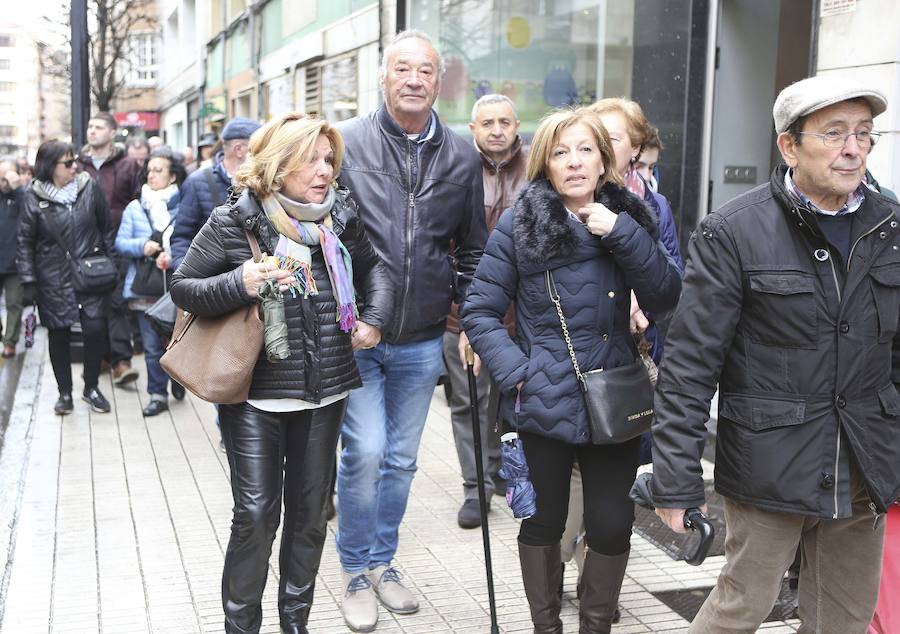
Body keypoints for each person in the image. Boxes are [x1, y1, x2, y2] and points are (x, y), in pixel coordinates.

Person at [651, 76, 900, 632]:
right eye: (834, 133)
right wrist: (676, 478)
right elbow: (690, 366)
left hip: (863, 464)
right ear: (789, 145)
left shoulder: (890, 227)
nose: (852, 147)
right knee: (743, 604)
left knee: (844, 617)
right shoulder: (732, 232)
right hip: (771, 462)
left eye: (863, 133)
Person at [461, 107, 681, 634]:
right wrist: (521, 371)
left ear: (605, 161)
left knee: (611, 522)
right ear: (545, 163)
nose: (574, 162)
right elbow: (480, 310)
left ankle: (596, 626)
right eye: (561, 152)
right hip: (544, 398)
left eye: (585, 150)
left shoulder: (630, 218)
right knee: (544, 521)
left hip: (615, 397)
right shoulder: (522, 222)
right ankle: (545, 627)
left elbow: (666, 295)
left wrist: (622, 233)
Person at [170, 112, 392, 634]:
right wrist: (240, 282)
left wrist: (374, 320)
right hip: (256, 396)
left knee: (310, 518)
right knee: (255, 516)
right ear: (276, 165)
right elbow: (182, 287)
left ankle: (295, 623)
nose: (324, 170)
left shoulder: (340, 216)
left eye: (329, 159)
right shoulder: (235, 220)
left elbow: (375, 268)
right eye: (309, 159)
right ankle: (241, 627)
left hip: (325, 391)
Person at [333, 29, 487, 632]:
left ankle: (383, 562)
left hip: (424, 336)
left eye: (426, 70)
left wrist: (470, 319)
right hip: (359, 338)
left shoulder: (463, 156)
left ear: (438, 80)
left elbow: (473, 248)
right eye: (403, 68)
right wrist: (352, 315)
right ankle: (352, 569)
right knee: (364, 453)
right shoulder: (345, 143)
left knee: (399, 461)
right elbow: (327, 240)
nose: (415, 79)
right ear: (384, 76)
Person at [447, 93, 528, 529]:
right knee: (469, 401)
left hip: (525, 312)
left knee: (515, 398)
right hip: (463, 311)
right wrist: (460, 311)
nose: (496, 130)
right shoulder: (456, 169)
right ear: (473, 129)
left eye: (504, 122)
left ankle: (505, 473)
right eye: (487, 123)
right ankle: (475, 488)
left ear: (516, 127)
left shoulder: (537, 170)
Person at [18, 140, 116, 414]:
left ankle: (91, 387)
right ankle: (64, 394)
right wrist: (28, 281)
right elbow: (24, 242)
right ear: (50, 166)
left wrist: (111, 265)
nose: (75, 167)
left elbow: (106, 227)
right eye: (68, 163)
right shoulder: (33, 197)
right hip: (53, 277)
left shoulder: (89, 188)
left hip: (91, 273)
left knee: (95, 330)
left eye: (75, 161)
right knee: (58, 333)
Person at [116, 149, 187, 417]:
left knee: (177, 341)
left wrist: (174, 257)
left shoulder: (184, 206)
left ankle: (179, 379)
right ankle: (157, 394)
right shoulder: (135, 208)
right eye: (150, 169)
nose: (152, 174)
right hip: (145, 288)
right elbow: (120, 243)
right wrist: (142, 246)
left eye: (159, 170)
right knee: (151, 345)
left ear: (172, 176)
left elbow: (194, 241)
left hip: (177, 286)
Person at [76, 111, 142, 386]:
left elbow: (136, 203)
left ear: (112, 132)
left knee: (116, 303)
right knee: (91, 304)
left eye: (99, 127)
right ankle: (101, 357)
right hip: (84, 245)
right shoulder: (78, 165)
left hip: (116, 244)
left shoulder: (128, 165)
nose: (92, 131)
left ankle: (121, 362)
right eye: (90, 126)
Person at [170, 118, 260, 270]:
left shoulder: (263, 181)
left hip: (253, 281)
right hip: (212, 284)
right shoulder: (197, 182)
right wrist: (188, 279)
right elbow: (182, 237)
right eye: (259, 147)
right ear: (239, 149)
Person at [0, 159, 25, 357]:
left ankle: (10, 341)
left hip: (15, 262)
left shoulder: (21, 197)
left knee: (14, 303)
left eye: (7, 177)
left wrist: (18, 188)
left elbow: (31, 211)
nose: (4, 182)